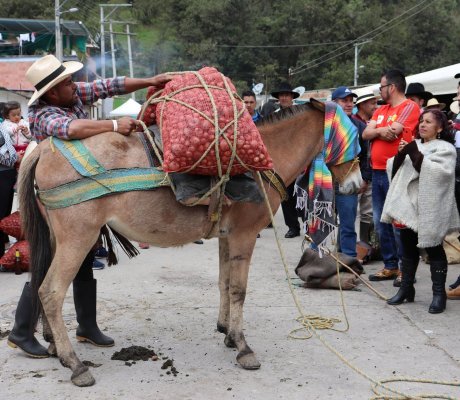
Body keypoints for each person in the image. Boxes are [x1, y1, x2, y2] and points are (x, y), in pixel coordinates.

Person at [7, 54, 171, 358]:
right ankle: (20, 330)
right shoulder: (44, 115)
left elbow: (110, 85)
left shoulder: (71, 94)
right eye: (68, 82)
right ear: (53, 91)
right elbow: (72, 129)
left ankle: (86, 325)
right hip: (56, 196)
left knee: (82, 257)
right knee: (48, 259)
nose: (75, 85)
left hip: (85, 192)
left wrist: (150, 81)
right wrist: (112, 124)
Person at [383, 109, 459, 313]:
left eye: (428, 122)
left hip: (430, 208)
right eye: (421, 121)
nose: (422, 125)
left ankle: (438, 294)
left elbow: (440, 174)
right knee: (407, 249)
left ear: (440, 127)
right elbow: (395, 169)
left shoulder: (446, 148)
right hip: (409, 207)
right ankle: (407, 289)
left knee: (434, 248)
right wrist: (401, 154)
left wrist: (412, 152)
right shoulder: (415, 145)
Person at [362, 69, 420, 282]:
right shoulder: (380, 110)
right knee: (380, 221)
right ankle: (390, 265)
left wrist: (378, 130)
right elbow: (366, 133)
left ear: (392, 87)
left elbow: (395, 130)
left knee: (400, 221)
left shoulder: (409, 107)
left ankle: (407, 269)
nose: (380, 91)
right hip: (377, 171)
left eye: (382, 87)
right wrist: (379, 132)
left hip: (397, 171)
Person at [330, 86, 362, 258]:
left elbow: (366, 154)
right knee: (320, 223)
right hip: (326, 179)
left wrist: (366, 178)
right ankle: (316, 258)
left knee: (348, 223)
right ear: (334, 103)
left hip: (349, 178)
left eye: (351, 101)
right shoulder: (325, 126)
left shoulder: (358, 126)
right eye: (344, 101)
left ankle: (349, 259)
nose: (349, 104)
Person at [270, 82, 302, 238]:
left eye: (287, 95)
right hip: (283, 160)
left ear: (291, 97)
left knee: (304, 193)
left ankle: (310, 224)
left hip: (302, 158)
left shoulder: (301, 113)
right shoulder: (274, 116)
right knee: (286, 194)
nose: (284, 98)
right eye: (281, 95)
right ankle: (293, 227)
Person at [352, 90, 379, 245]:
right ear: (362, 105)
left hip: (371, 174)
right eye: (372, 103)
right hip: (354, 175)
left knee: (367, 213)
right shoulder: (352, 123)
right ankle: (344, 248)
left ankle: (365, 247)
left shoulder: (375, 122)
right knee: (348, 213)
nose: (375, 106)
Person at [0, 123, 19, 261]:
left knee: (4, 215)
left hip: (7, 173)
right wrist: (14, 158)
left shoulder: (1, 125)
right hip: (3, 171)